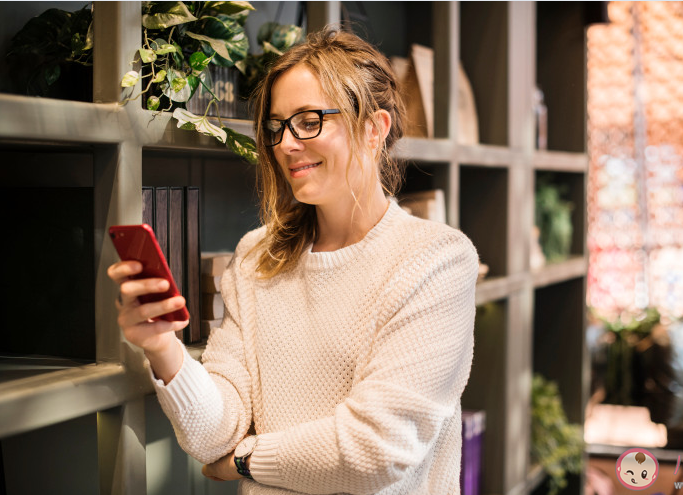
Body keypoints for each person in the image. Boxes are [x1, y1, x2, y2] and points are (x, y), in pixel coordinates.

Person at [108, 27, 479, 494]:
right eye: (278, 126)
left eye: (309, 121)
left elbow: (373, 451)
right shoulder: (256, 257)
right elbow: (214, 433)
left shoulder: (436, 261)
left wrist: (244, 461)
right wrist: (162, 346)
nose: (285, 144)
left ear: (374, 128)